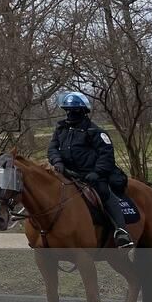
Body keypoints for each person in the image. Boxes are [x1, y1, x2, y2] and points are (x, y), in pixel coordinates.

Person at [48, 92, 133, 249]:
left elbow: (107, 155)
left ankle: (121, 232)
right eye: (67, 110)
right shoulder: (61, 129)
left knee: (104, 193)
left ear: (83, 111)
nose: (70, 114)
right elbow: (52, 148)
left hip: (92, 176)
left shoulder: (96, 132)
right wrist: (57, 161)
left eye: (74, 111)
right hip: (67, 174)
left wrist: (97, 173)